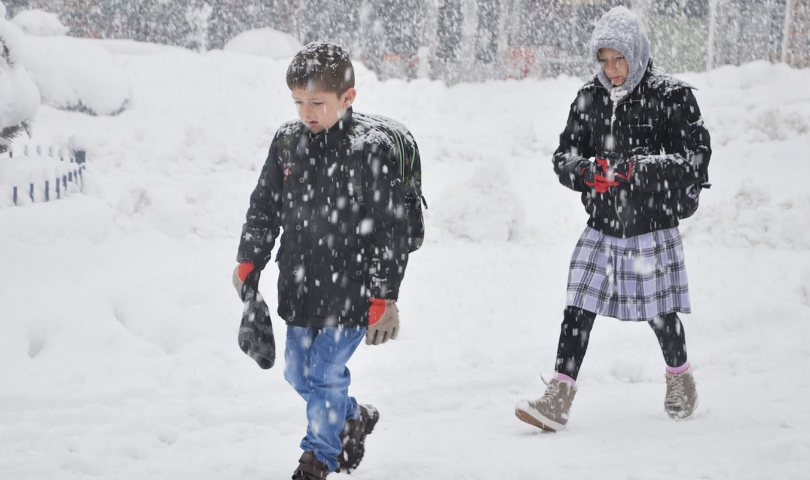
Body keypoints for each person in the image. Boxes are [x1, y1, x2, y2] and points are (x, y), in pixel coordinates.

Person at [515, 6, 711, 432]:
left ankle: (680, 379)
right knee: (578, 307)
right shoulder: (589, 96)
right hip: (603, 226)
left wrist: (636, 169)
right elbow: (564, 156)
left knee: (659, 313)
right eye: (604, 60)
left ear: (637, 54)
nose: (612, 69)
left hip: (651, 226)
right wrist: (585, 171)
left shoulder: (673, 96)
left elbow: (694, 163)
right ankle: (559, 396)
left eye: (619, 59)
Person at [232, 42, 416, 479]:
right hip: (299, 283)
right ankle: (352, 417)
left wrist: (382, 294)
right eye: (298, 101)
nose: (306, 112)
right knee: (298, 374)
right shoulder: (287, 143)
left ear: (347, 98)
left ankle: (318, 456)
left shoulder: (369, 149)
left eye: (317, 102)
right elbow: (264, 207)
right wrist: (249, 260)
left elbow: (390, 229)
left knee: (326, 372)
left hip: (351, 288)